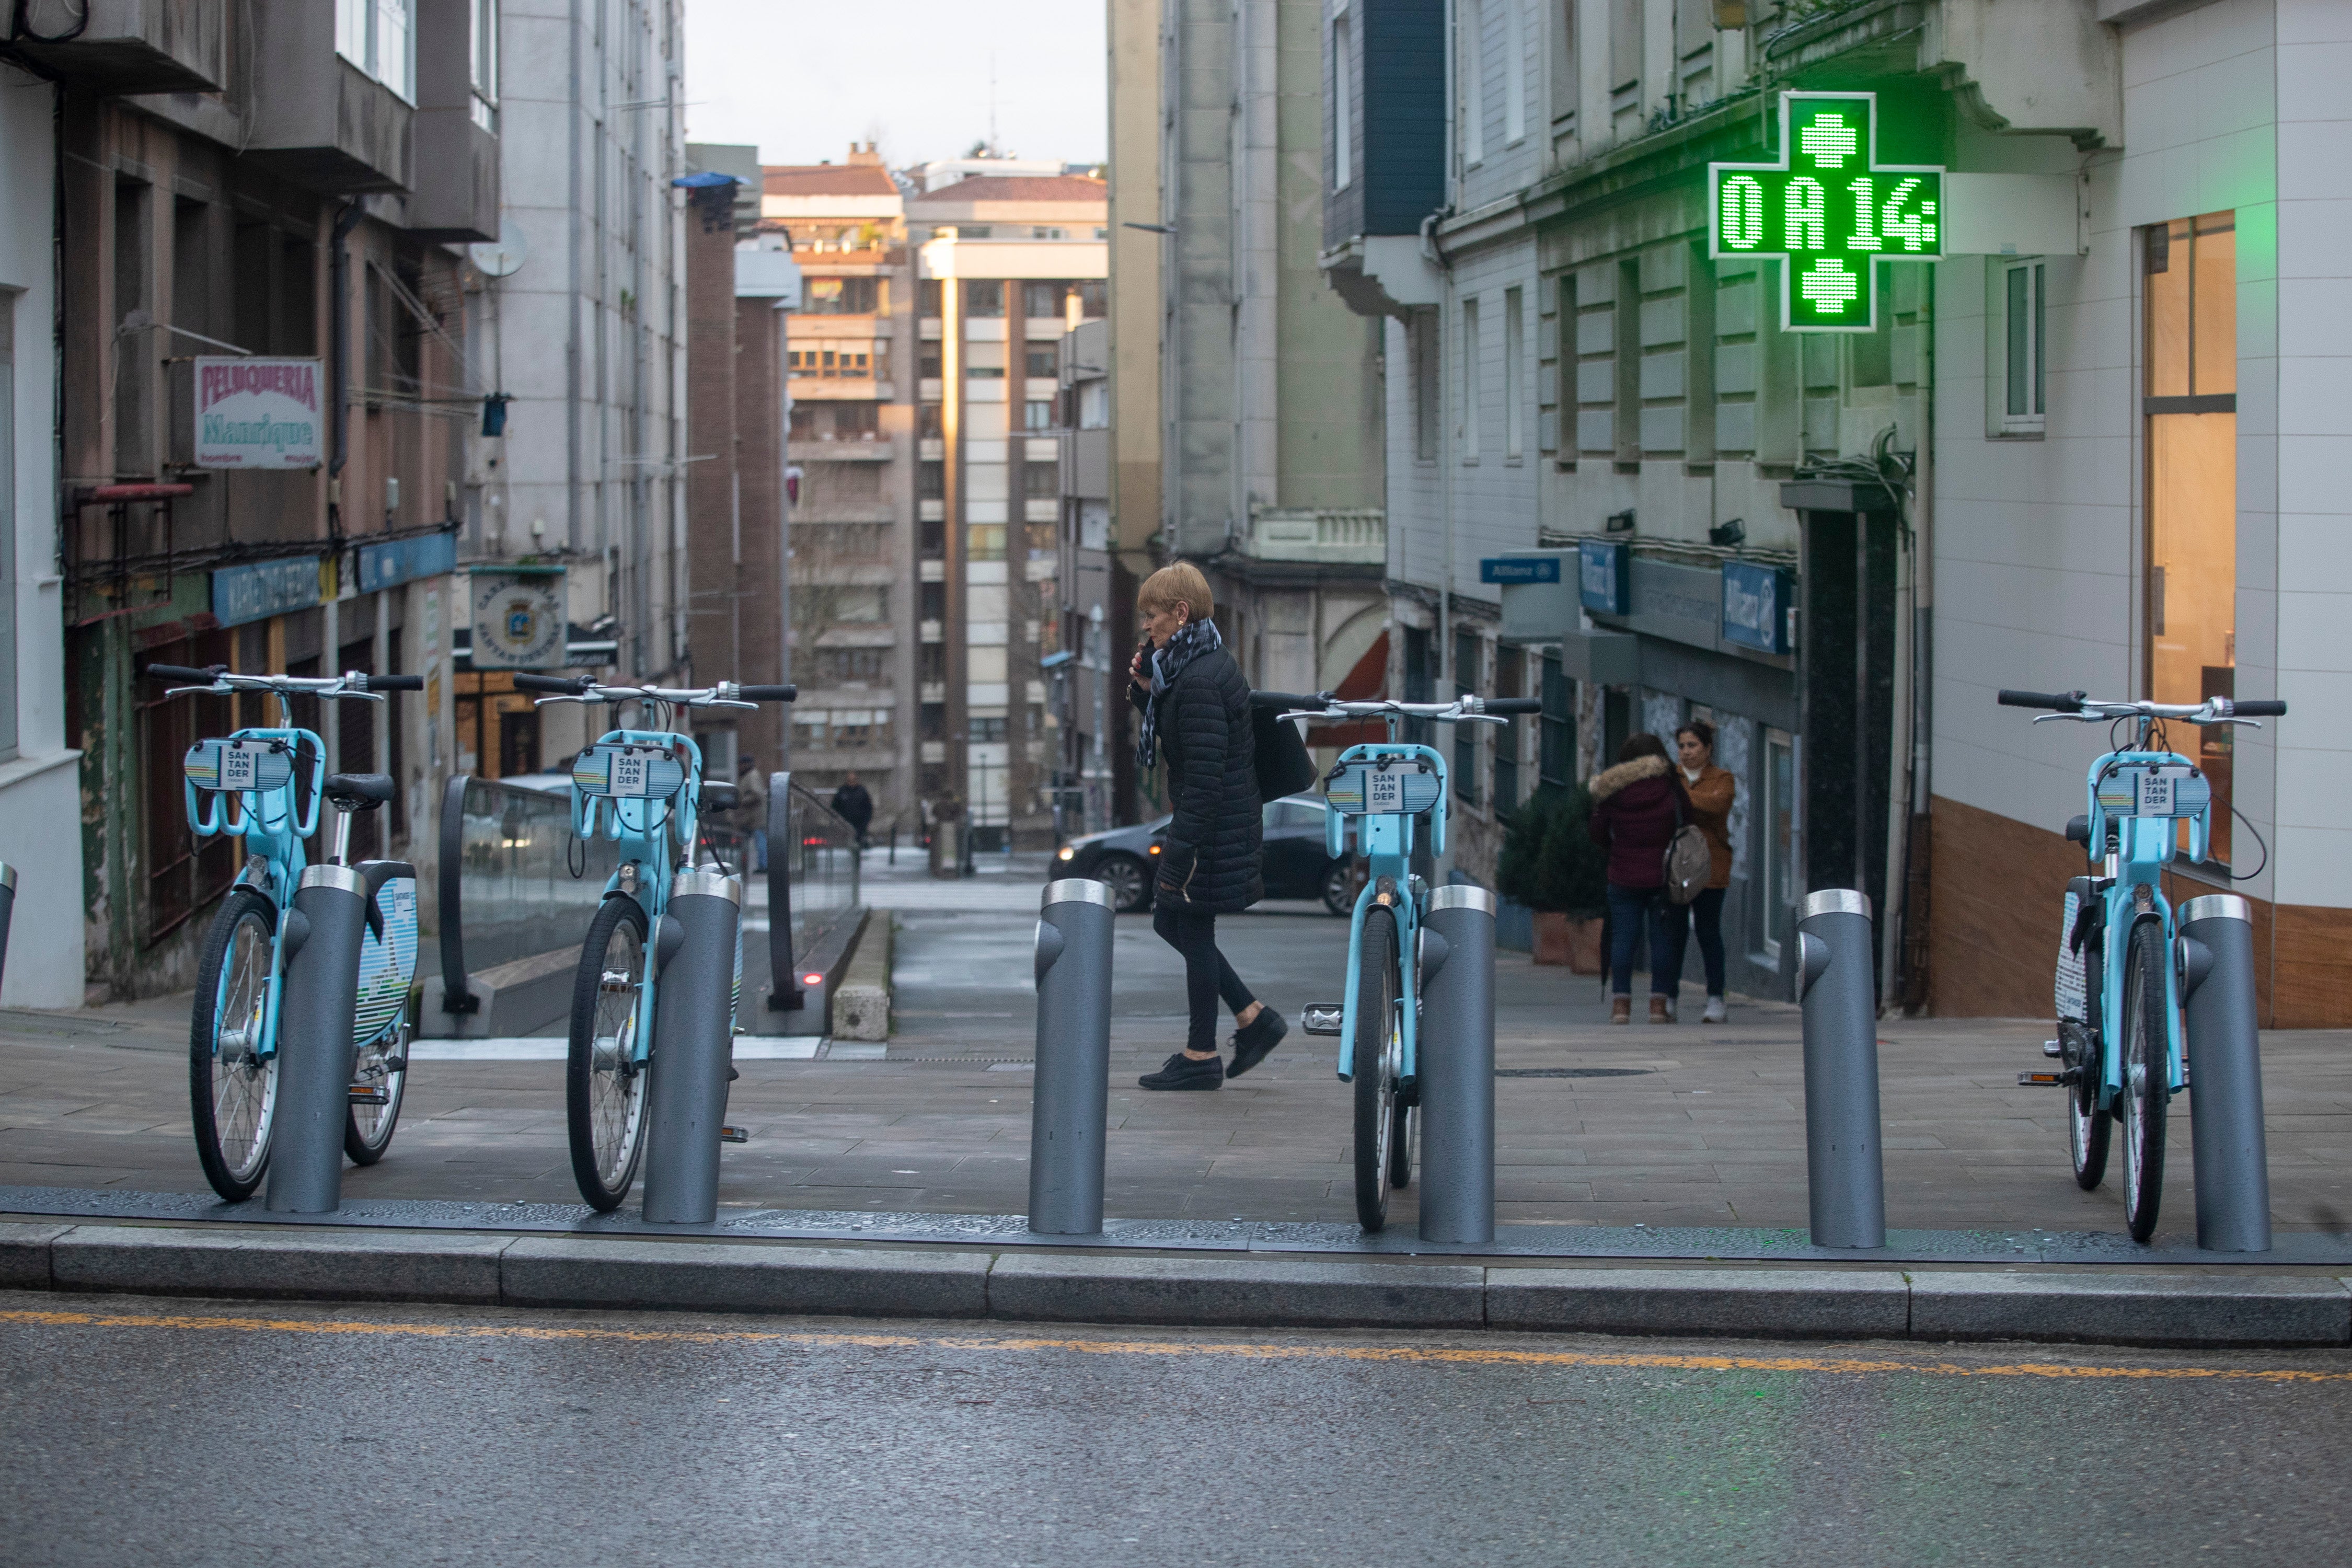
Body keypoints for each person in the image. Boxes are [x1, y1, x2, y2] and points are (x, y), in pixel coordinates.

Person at [1125, 562, 1285, 1089]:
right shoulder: (1199, 663)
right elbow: (1190, 739)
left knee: (1188, 927)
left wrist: (1182, 848)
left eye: (1152, 617)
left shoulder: (1198, 680)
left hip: (1212, 828)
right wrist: (1149, 690)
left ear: (1180, 612)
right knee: (1174, 924)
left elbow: (1206, 775)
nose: (1146, 627)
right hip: (1218, 823)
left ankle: (1201, 1055)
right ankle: (1251, 1018)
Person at [1587, 732, 1691, 1025]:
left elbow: (1597, 832)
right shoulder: (1670, 785)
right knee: (1662, 941)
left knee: (1623, 939)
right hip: (1663, 876)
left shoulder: (1613, 789)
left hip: (1623, 875)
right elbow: (1689, 819)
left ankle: (1621, 1008)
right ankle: (1658, 1008)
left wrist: (1616, 849)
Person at [1665, 721, 1736, 1023]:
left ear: (1708, 749)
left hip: (1711, 866)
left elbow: (1717, 806)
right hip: (1677, 866)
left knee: (1709, 933)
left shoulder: (1722, 778)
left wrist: (1680, 797)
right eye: (1682, 746)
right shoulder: (1671, 776)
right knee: (1674, 934)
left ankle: (1716, 998)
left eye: (1693, 745)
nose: (1686, 752)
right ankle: (1668, 997)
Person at [831, 771, 873, 848]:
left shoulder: (862, 792)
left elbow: (869, 809)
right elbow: (835, 807)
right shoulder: (842, 791)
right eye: (850, 780)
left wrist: (865, 823)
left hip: (860, 826)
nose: (852, 782)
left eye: (854, 780)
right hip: (844, 826)